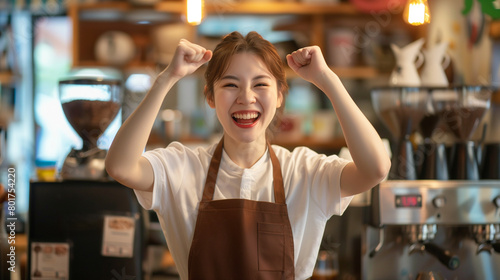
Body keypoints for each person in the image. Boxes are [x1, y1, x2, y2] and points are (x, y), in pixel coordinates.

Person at [105, 31, 390, 280]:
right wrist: (166, 79)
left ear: (279, 95)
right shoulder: (182, 168)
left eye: (260, 84)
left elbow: (375, 168)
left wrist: (328, 80)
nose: (246, 97)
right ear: (210, 96)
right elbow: (120, 166)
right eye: (230, 84)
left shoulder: (303, 171)